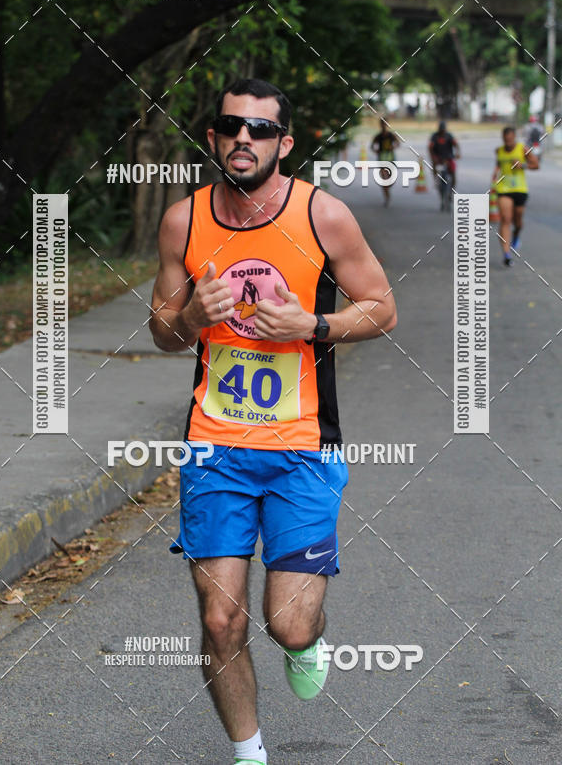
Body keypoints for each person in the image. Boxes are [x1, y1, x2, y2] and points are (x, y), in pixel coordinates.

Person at [149, 77, 397, 765]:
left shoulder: (326, 217)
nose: (244, 140)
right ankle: (250, 754)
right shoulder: (183, 221)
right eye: (232, 127)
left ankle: (308, 640)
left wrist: (314, 323)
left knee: (286, 624)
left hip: (302, 447)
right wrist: (190, 318)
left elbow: (381, 307)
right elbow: (162, 330)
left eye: (261, 130)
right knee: (220, 618)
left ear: (284, 144)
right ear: (214, 139)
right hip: (216, 445)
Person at [492, 125, 538, 266]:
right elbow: (498, 166)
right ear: (503, 139)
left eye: (511, 140)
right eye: (506, 140)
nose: (508, 143)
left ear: (514, 138)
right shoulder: (499, 151)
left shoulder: (522, 149)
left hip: (520, 189)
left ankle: (516, 234)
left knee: (518, 221)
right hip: (504, 189)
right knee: (505, 219)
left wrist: (522, 165)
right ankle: (506, 254)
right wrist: (493, 180)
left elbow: (536, 165)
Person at [371, 117, 399, 206]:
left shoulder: (391, 135)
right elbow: (372, 146)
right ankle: (387, 197)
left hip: (391, 159)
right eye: (382, 123)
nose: (383, 125)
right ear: (380, 125)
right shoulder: (378, 136)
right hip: (382, 160)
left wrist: (393, 147)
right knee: (384, 180)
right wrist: (376, 151)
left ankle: (387, 191)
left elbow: (398, 143)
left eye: (385, 123)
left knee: (391, 180)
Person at [428, 120, 460, 191]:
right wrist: (433, 157)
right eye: (441, 130)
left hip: (449, 157)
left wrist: (458, 153)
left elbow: (456, 144)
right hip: (438, 158)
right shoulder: (435, 136)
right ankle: (436, 179)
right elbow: (430, 148)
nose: (442, 131)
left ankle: (452, 190)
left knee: (453, 172)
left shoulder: (449, 136)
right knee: (434, 166)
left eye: (443, 130)